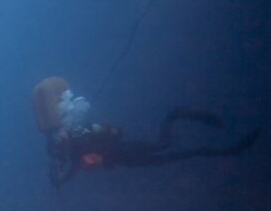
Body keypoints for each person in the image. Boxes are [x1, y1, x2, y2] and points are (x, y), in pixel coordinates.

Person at [33, 77, 260, 187]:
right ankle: (226, 150)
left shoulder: (76, 143)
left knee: (169, 150)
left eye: (57, 152)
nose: (60, 154)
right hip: (127, 157)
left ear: (58, 146)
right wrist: (59, 180)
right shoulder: (75, 146)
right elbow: (71, 170)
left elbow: (74, 167)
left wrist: (60, 180)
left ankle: (177, 117)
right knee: (170, 151)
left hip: (127, 153)